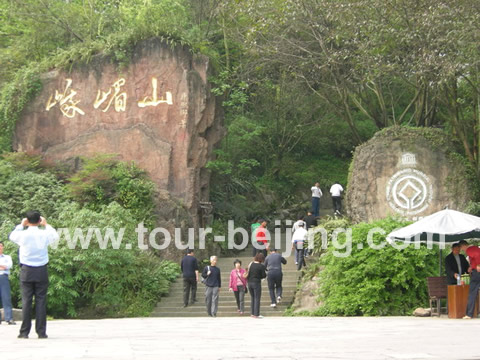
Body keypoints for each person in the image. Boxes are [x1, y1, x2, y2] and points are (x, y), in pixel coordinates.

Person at [9, 211, 59, 339]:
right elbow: (55, 236)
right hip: (41, 270)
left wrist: (21, 225)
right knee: (41, 301)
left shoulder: (22, 235)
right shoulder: (44, 234)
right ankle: (41, 332)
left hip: (27, 270)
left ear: (27, 220)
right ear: (39, 221)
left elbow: (12, 236)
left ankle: (24, 332)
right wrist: (46, 224)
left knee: (26, 301)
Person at [459, 240, 480, 319]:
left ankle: (469, 314)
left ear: (463, 246)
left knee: (472, 292)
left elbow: (478, 255)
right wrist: (472, 266)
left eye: (461, 248)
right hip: (475, 270)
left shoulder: (469, 250)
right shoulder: (475, 248)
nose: (462, 250)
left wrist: (478, 265)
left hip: (477, 273)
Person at [0, 242, 16, 325]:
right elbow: (4, 267)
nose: (0, 247)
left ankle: (9, 318)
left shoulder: (7, 257)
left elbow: (9, 266)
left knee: (6, 298)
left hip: (4, 277)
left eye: (1, 246)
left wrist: (3, 267)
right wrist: (3, 267)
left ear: (3, 247)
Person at [247, 253, 266, 318]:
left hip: (249, 283)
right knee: (257, 298)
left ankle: (252, 313)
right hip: (256, 283)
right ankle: (256, 314)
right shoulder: (261, 266)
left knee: (252, 298)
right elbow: (263, 275)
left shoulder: (251, 264)